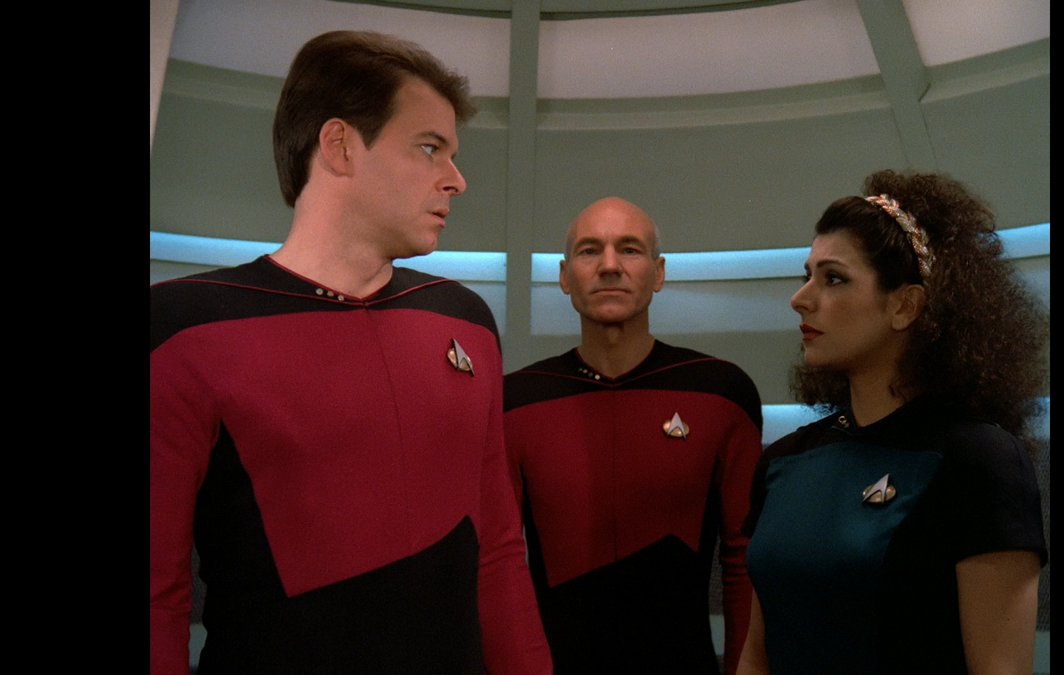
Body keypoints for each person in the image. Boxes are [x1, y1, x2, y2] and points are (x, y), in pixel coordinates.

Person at [150, 31, 551, 674]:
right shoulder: (182, 328)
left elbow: (499, 555)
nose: (456, 180)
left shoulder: (466, 322)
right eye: (429, 148)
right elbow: (156, 596)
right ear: (339, 145)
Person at [738, 171, 1048, 675]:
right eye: (806, 275)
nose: (800, 298)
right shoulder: (783, 461)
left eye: (833, 279)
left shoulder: (980, 462)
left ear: (905, 305)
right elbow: (756, 656)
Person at [504, 197, 763, 674]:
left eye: (629, 249)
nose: (609, 266)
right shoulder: (516, 402)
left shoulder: (721, 393)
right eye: (589, 251)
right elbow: (496, 563)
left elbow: (744, 559)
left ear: (658, 273)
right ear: (564, 276)